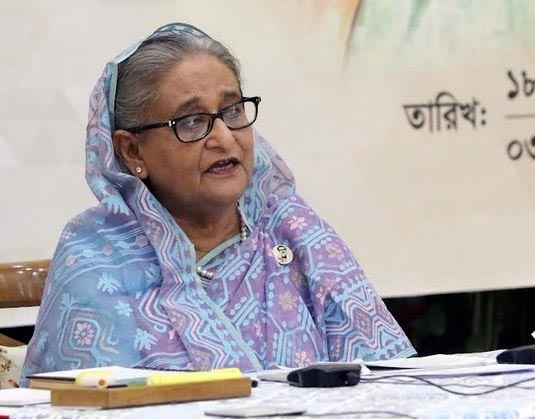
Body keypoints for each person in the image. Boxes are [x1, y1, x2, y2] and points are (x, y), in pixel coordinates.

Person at [22, 23, 415, 377]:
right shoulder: (96, 262)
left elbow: (390, 380)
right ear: (132, 151)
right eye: (191, 121)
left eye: (232, 110)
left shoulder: (294, 232)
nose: (225, 138)